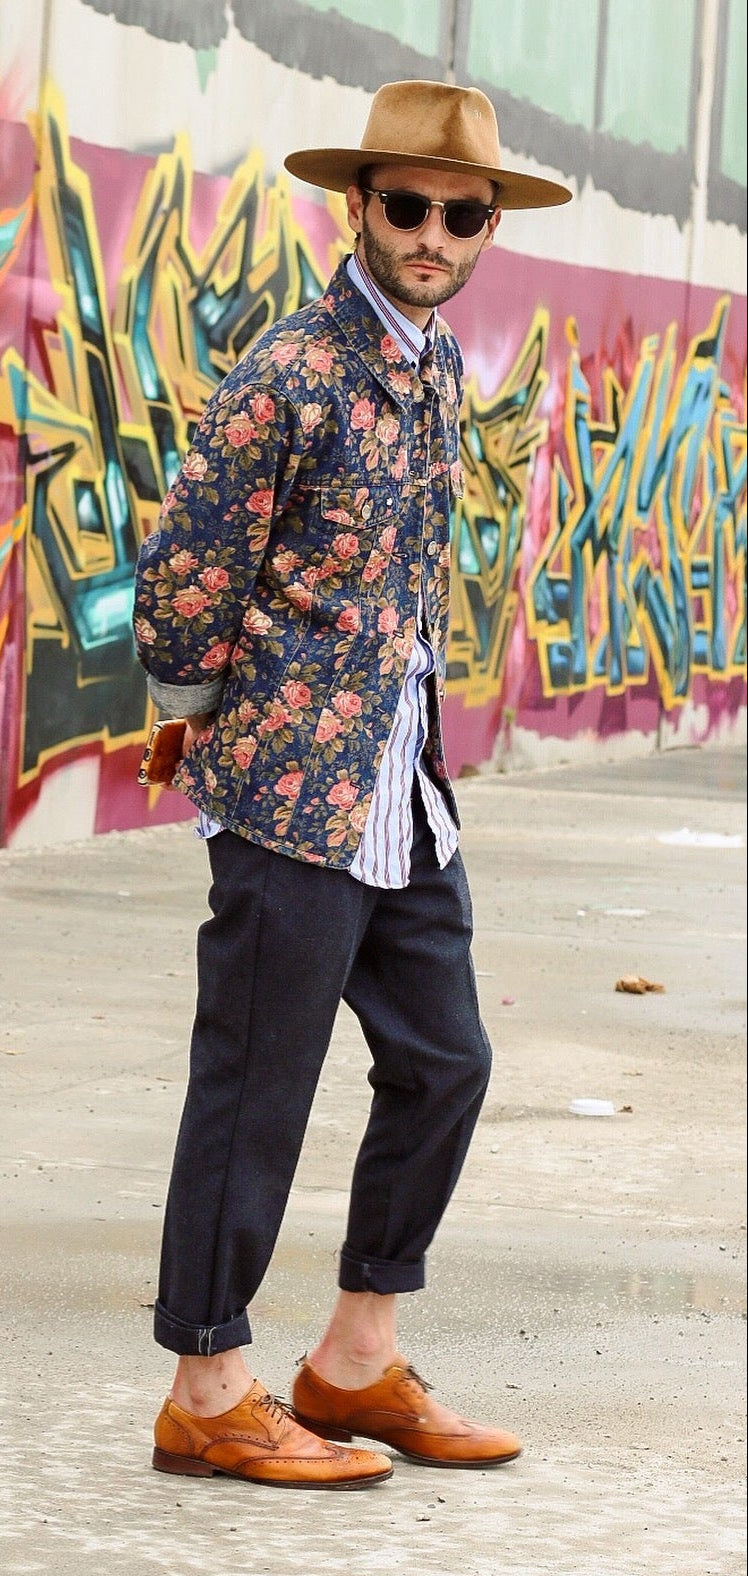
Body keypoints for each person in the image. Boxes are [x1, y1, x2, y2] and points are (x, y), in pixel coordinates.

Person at [133, 78, 571, 1490]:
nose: (433, 232)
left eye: (461, 212)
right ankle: (208, 1385)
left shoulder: (436, 363)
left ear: (486, 224)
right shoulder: (296, 370)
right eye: (407, 205)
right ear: (358, 207)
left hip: (400, 781)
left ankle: (357, 1363)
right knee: (257, 1090)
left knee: (448, 1061)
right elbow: (191, 563)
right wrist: (196, 717)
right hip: (289, 790)